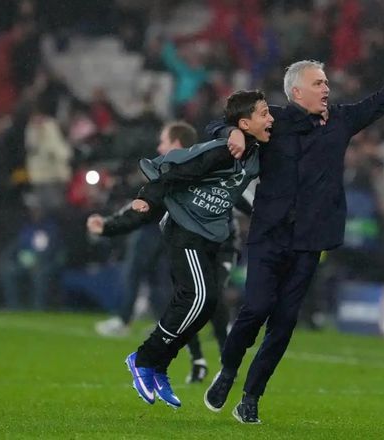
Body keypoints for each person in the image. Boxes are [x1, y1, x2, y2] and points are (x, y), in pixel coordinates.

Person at [204, 38, 384, 424]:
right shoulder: (272, 121)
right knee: (255, 308)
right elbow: (218, 123)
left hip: (310, 240)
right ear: (296, 92)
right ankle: (228, 370)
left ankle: (251, 397)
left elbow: (382, 101)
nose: (326, 88)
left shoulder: (340, 121)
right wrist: (230, 133)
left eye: (326, 82)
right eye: (318, 83)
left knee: (283, 323)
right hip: (269, 233)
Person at [119, 90, 273, 408]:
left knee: (206, 304)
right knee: (199, 296)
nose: (270, 118)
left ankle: (159, 366)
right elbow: (179, 171)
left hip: (207, 234)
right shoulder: (222, 152)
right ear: (245, 123)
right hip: (184, 227)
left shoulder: (254, 152)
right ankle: (143, 359)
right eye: (264, 113)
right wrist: (147, 197)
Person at [89, 121, 232, 384]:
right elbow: (144, 207)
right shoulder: (180, 171)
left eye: (163, 142)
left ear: (176, 144)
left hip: (203, 245)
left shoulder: (189, 171)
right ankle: (200, 360)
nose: (159, 147)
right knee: (190, 298)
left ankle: (211, 359)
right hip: (184, 243)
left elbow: (232, 202)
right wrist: (109, 226)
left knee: (199, 299)